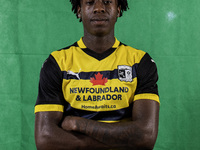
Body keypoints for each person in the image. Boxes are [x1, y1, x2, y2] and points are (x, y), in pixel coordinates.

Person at [34, 0, 160, 149]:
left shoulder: (140, 61)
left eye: (107, 2)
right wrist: (119, 142)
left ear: (118, 10)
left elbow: (145, 137)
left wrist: (79, 124)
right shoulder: (57, 62)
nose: (99, 8)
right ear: (79, 10)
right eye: (90, 2)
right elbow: (45, 139)